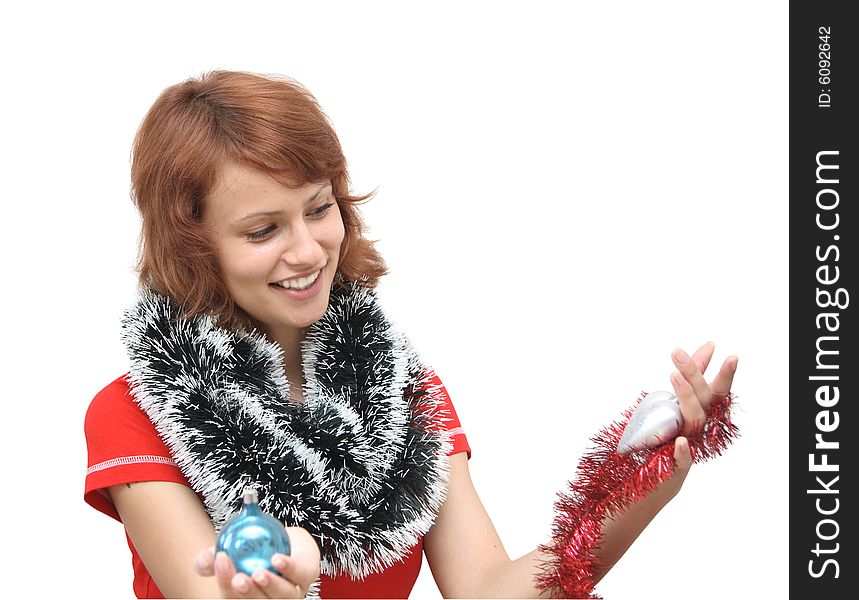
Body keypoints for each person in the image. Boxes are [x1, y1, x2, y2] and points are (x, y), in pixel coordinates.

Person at [84, 70, 738, 599]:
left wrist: (638, 477)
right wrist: (288, 579)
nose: (309, 249)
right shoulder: (131, 414)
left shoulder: (403, 394)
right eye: (263, 230)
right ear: (194, 248)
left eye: (319, 208)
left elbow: (487, 592)